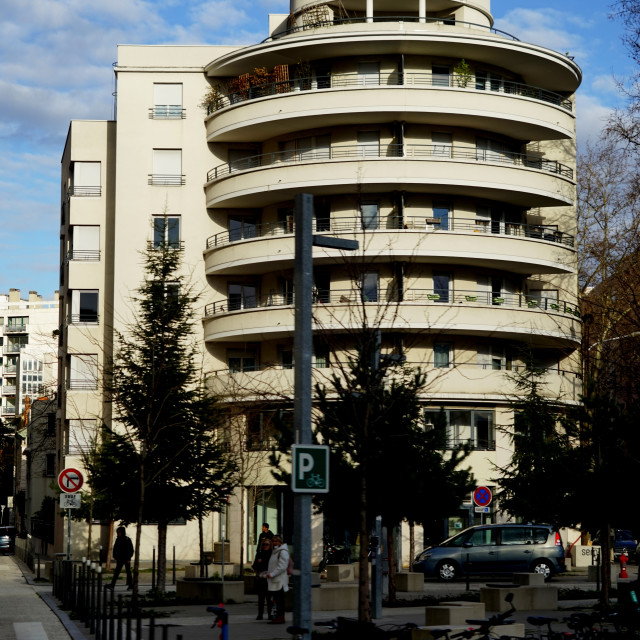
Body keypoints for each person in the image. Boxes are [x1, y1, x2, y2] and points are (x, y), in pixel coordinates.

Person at [266, 535, 289, 624]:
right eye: (273, 541)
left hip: (279, 581)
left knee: (279, 601)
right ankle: (279, 617)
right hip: (275, 580)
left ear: (280, 542)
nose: (274, 543)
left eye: (276, 541)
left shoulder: (282, 552)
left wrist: (272, 574)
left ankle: (279, 618)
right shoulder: (275, 551)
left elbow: (282, 567)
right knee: (277, 600)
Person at [252, 538, 273, 620]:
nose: (265, 546)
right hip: (261, 578)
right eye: (264, 544)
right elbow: (255, 566)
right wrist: (258, 563)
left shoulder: (271, 554)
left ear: (270, 546)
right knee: (261, 597)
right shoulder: (259, 554)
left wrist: (262, 561)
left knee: (269, 597)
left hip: (268, 578)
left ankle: (269, 614)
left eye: (267, 544)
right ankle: (260, 614)